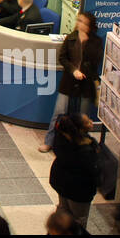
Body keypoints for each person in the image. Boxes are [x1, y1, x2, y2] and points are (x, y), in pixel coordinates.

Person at [39, 10, 103, 150]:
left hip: (86, 85)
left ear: (89, 25)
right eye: (78, 20)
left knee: (83, 117)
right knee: (59, 112)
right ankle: (49, 142)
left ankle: (79, 145)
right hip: (69, 82)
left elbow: (95, 63)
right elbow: (62, 58)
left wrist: (83, 71)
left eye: (82, 22)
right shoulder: (71, 38)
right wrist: (74, 71)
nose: (79, 24)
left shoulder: (97, 42)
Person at [49, 113, 100, 227]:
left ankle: (58, 230)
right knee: (78, 219)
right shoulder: (86, 151)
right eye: (87, 122)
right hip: (79, 191)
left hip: (61, 182)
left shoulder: (61, 139)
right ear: (79, 129)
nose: (91, 122)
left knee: (63, 209)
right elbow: (93, 171)